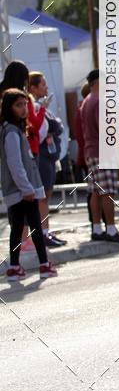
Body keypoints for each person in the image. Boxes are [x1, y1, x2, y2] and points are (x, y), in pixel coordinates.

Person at [1, 88, 58, 280]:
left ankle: (15, 266)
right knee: (34, 226)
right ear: (9, 108)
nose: (24, 109)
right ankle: (44, 264)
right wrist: (27, 189)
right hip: (22, 190)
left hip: (22, 189)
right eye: (19, 105)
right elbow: (15, 164)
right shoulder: (11, 132)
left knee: (19, 228)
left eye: (25, 104)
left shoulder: (16, 130)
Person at [80, 69, 119, 244]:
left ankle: (97, 228)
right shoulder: (100, 101)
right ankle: (111, 229)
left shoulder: (87, 100)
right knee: (107, 192)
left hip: (91, 151)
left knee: (95, 191)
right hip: (103, 152)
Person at [28, 71, 67, 248]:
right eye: (42, 84)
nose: (47, 87)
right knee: (42, 197)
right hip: (41, 157)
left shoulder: (41, 106)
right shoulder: (34, 106)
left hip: (49, 157)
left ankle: (46, 231)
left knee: (47, 195)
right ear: (33, 88)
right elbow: (41, 132)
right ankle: (41, 233)